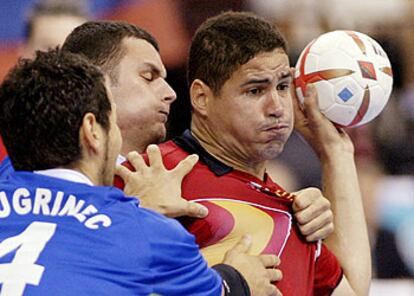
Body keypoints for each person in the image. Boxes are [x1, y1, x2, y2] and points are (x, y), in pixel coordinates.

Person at [117, 12, 371, 295]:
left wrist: (336, 153)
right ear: (201, 97)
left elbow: (353, 292)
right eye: (255, 90)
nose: (277, 107)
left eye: (283, 86)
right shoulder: (150, 176)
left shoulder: (293, 210)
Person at [0, 48, 282, 295]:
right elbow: (223, 289)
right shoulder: (150, 232)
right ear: (91, 131)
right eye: (111, 118)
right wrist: (239, 280)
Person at [61, 20, 334, 234]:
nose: (170, 93)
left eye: (284, 86)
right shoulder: (29, 177)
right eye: (149, 76)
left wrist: (336, 154)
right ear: (96, 85)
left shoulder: (177, 180)